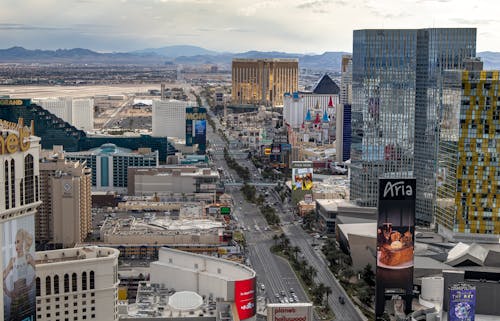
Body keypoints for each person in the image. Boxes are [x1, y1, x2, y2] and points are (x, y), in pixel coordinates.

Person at [3, 228, 36, 321]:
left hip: (25, 295)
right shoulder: (12, 260)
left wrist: (30, 286)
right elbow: (3, 277)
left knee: (28, 316)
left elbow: (36, 271)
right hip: (15, 296)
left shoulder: (28, 257)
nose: (16, 245)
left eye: (18, 242)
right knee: (12, 318)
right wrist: (8, 292)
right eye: (15, 242)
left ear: (23, 242)